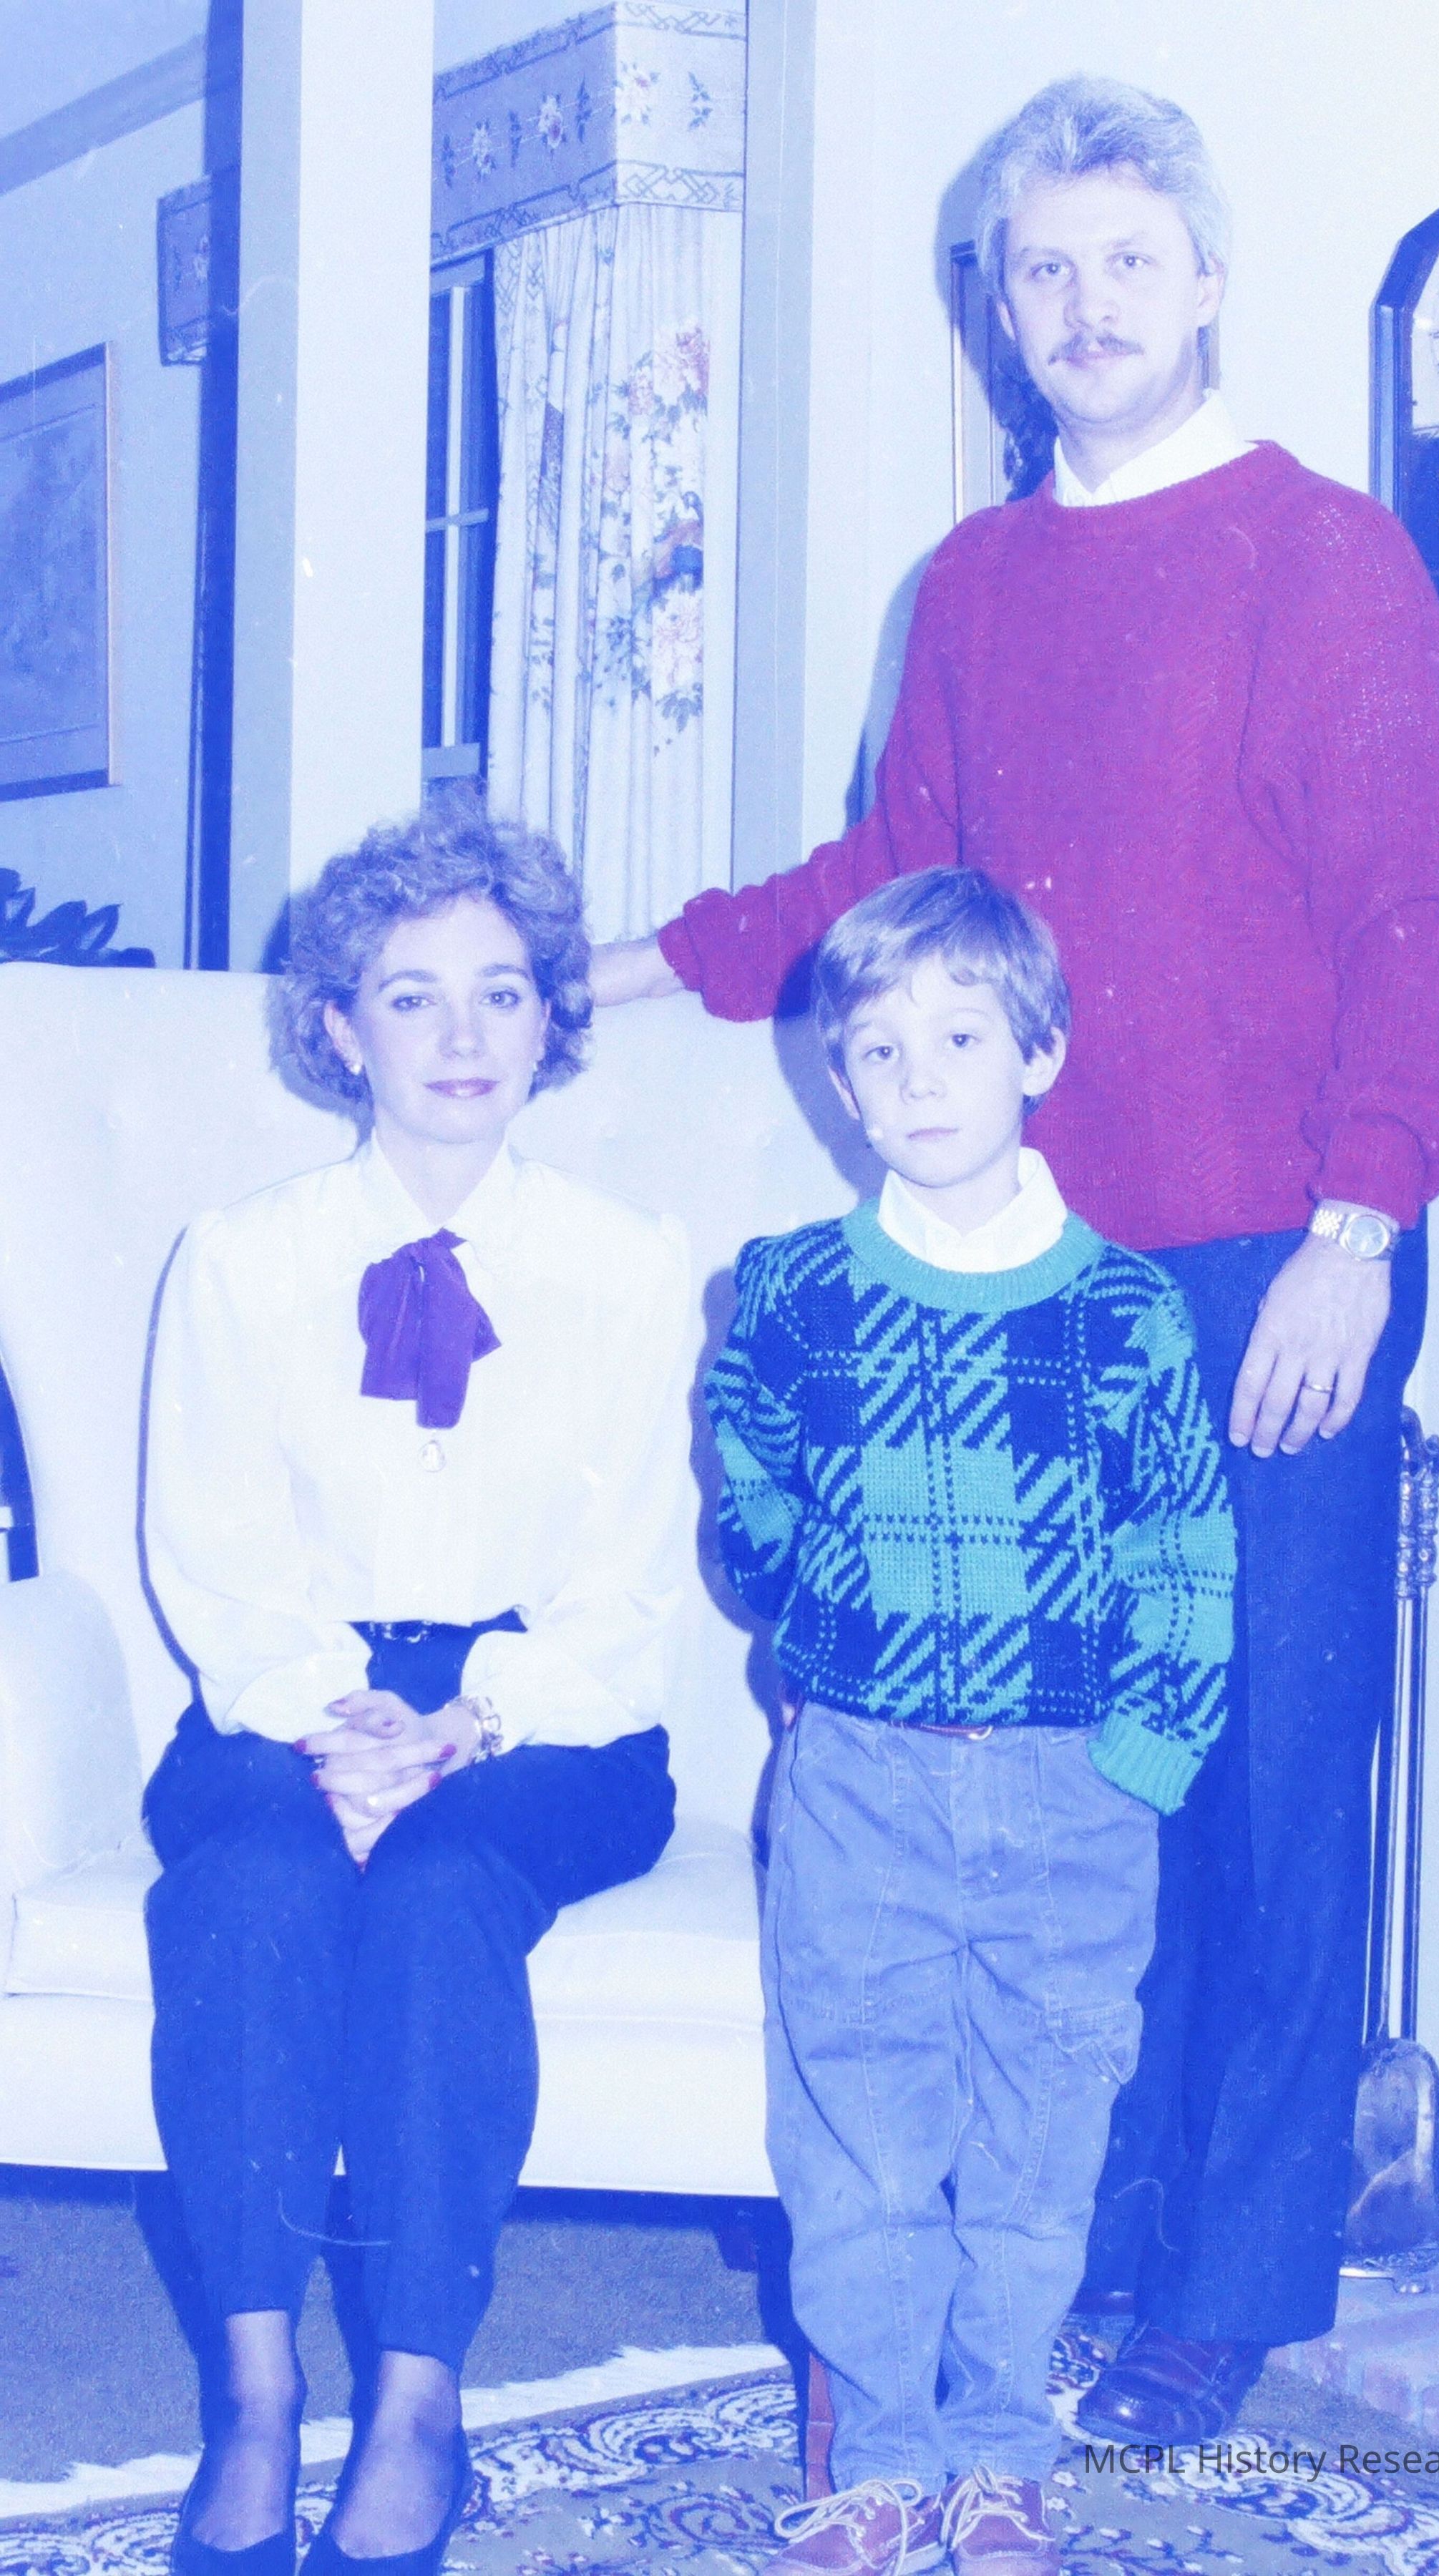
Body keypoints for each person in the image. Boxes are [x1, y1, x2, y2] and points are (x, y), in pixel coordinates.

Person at [592, 77, 1439, 2441]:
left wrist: (1360, 1229)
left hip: (1280, 1257)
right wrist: (629, 967)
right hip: (1029, 1275)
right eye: (1044, 271)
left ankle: (1233, 2274)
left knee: (1265, 1771)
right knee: (1077, 1773)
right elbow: (892, 880)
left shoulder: (1325, 560)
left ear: (1204, 281)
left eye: (1127, 259)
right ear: (1000, 315)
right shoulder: (977, 588)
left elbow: (1431, 925)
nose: (1087, 305)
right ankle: (1085, 2221)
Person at [142, 801, 691, 2576]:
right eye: (411, 995)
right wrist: (339, 1720)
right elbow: (212, 1545)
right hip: (286, 1693)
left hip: (549, 1714)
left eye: (502, 993)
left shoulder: (627, 1266)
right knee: (248, 1884)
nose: (462, 1036)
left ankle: (416, 2404)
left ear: (551, 1020)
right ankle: (250, 2393)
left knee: (448, 1891)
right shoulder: (243, 1256)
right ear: (339, 1027)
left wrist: (470, 1722)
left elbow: (632, 1576)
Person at [706, 869, 1235, 2576]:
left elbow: (1182, 1551)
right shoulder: (792, 1291)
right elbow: (751, 1485)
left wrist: (1141, 1759)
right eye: (880, 1049)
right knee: (858, 2132)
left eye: (960, 1039)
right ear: (840, 1086)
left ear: (1042, 1055)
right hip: (860, 1781)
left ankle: (1000, 2455)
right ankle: (879, 2461)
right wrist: (821, 1638)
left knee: (1040, 2132)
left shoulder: (1125, 1313)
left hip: (1076, 1788)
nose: (921, 1078)